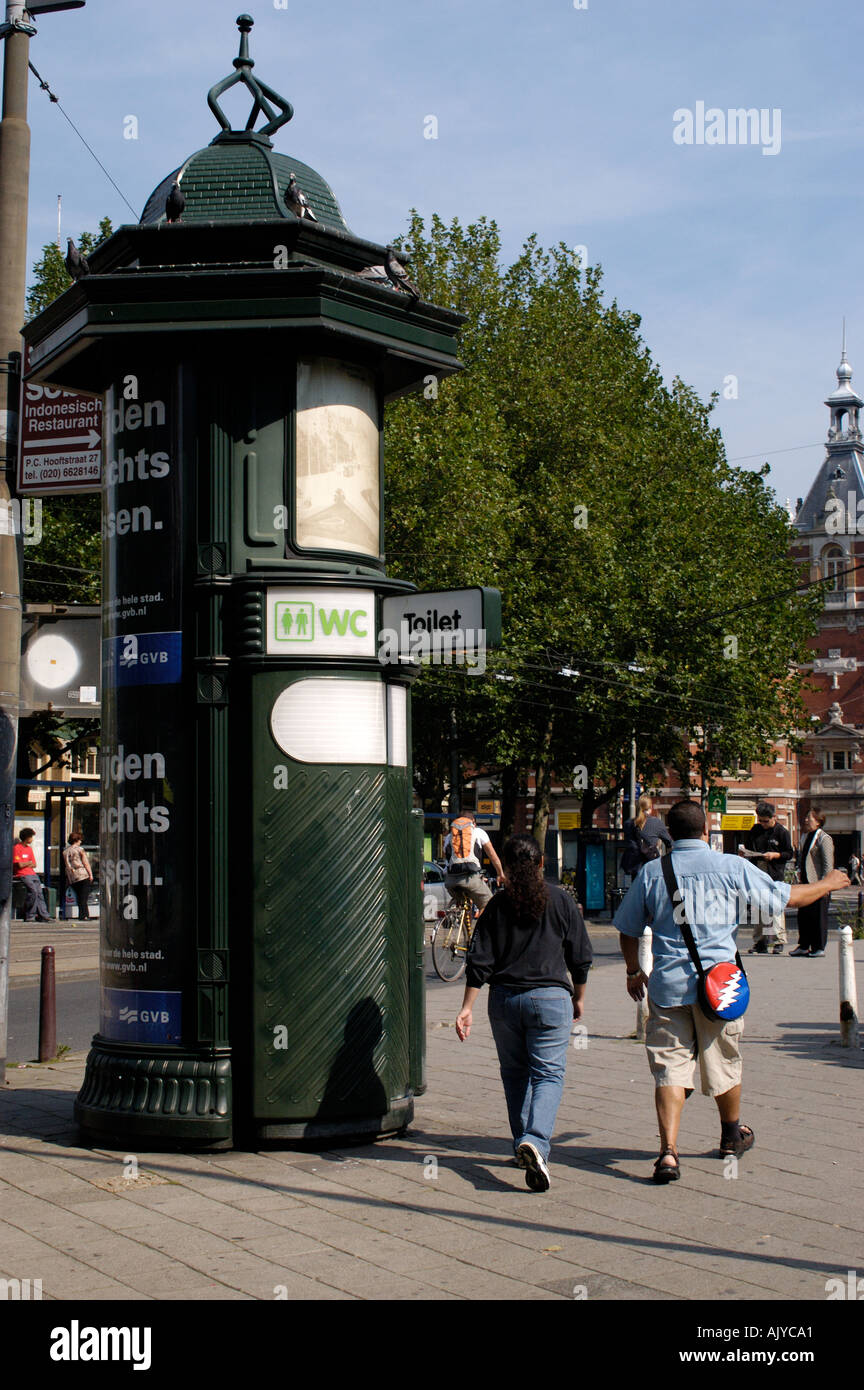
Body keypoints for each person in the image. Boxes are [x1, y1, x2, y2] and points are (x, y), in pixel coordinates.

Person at [615, 798, 848, 1184]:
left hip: (668, 985)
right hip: (719, 987)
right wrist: (828, 883)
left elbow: (628, 929)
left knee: (670, 1069)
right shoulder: (731, 866)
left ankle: (669, 1154)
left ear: (670, 834)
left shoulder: (654, 872)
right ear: (706, 830)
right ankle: (730, 1135)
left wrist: (633, 971)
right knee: (724, 1059)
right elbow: (786, 898)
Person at [455, 833, 593, 1192]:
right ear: (542, 863)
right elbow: (580, 957)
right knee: (548, 1074)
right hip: (550, 999)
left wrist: (466, 1008)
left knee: (514, 1075)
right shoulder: (562, 901)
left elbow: (479, 961)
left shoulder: (497, 905)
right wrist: (579, 997)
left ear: (506, 866)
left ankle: (523, 1143)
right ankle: (536, 1141)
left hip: (504, 1001)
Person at [738, 801, 793, 955]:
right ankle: (760, 941)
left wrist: (776, 855)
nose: (762, 824)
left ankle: (778, 940)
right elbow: (748, 846)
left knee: (776, 907)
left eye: (765, 821)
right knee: (758, 907)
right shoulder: (755, 830)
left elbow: (789, 853)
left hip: (774, 872)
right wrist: (744, 852)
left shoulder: (781, 832)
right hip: (757, 872)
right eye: (760, 820)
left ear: (774, 817)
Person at [791, 807, 834, 957]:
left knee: (818, 917)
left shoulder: (824, 838)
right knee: (804, 915)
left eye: (810, 817)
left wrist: (825, 885)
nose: (806, 820)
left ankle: (818, 947)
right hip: (805, 883)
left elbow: (828, 864)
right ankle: (803, 945)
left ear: (818, 821)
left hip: (818, 883)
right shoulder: (805, 836)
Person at [443, 809, 503, 913]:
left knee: (465, 905)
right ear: (473, 822)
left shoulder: (449, 837)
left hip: (450, 882)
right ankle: (480, 929)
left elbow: (447, 860)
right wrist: (500, 873)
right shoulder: (478, 832)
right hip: (470, 879)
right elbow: (493, 856)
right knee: (490, 905)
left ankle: (463, 926)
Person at [622, 794, 673, 877]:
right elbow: (669, 843)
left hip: (634, 866)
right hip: (651, 864)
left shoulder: (628, 824)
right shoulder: (656, 823)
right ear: (650, 807)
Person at [13, 827, 51, 922]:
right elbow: (20, 865)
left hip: (32, 873)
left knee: (39, 893)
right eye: (31, 837)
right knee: (33, 892)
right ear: (26, 837)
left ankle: (44, 915)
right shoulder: (17, 848)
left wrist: (26, 863)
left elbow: (34, 864)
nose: (32, 839)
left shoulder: (29, 849)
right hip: (22, 874)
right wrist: (27, 863)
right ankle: (30, 915)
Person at [63, 832, 93, 921]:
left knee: (79, 897)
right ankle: (84, 915)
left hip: (72, 876)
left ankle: (82, 915)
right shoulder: (80, 850)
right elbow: (85, 863)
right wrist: (90, 874)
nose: (81, 841)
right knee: (84, 897)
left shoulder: (65, 852)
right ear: (77, 840)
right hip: (82, 874)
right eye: (80, 840)